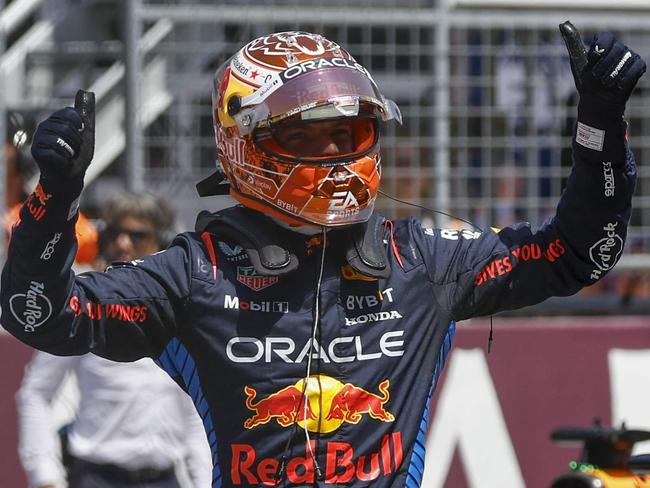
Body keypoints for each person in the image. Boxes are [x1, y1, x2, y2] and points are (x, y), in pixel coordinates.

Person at [0, 27, 645, 488]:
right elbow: (39, 317)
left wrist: (599, 124)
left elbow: (577, 254)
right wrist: (53, 200)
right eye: (304, 136)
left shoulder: (420, 257)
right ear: (244, 146)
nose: (334, 154)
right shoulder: (194, 271)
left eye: (347, 133)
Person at [15, 192, 212, 488]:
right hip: (96, 478)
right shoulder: (87, 304)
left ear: (161, 241)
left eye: (137, 235)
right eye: (115, 233)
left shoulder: (182, 311)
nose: (123, 243)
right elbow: (36, 393)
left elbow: (196, 412)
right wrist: (45, 476)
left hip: (164, 479)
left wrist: (205, 481)